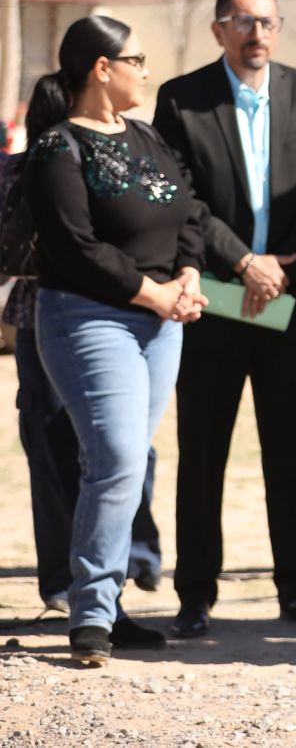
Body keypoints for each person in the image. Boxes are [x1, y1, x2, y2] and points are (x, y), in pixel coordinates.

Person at [153, 0, 296, 638]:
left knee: (292, 449)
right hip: (217, 297)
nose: (256, 33)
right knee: (203, 450)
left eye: (267, 21)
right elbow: (184, 200)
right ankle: (195, 594)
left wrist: (281, 267)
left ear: (279, 29)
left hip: (288, 299)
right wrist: (245, 262)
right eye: (242, 22)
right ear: (218, 31)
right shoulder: (181, 99)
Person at [22, 16, 209, 666]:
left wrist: (186, 274)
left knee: (126, 466)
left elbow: (188, 209)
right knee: (119, 458)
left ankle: (109, 605)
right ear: (102, 68)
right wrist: (152, 292)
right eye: (137, 59)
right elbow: (74, 245)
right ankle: (92, 615)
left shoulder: (146, 135)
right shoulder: (57, 148)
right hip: (87, 318)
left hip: (161, 323)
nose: (145, 71)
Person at [6, 136, 164, 612]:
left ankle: (135, 556)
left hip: (126, 313)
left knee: (128, 445)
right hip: (43, 316)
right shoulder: (22, 171)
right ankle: (63, 576)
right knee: (53, 447)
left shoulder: (125, 164)